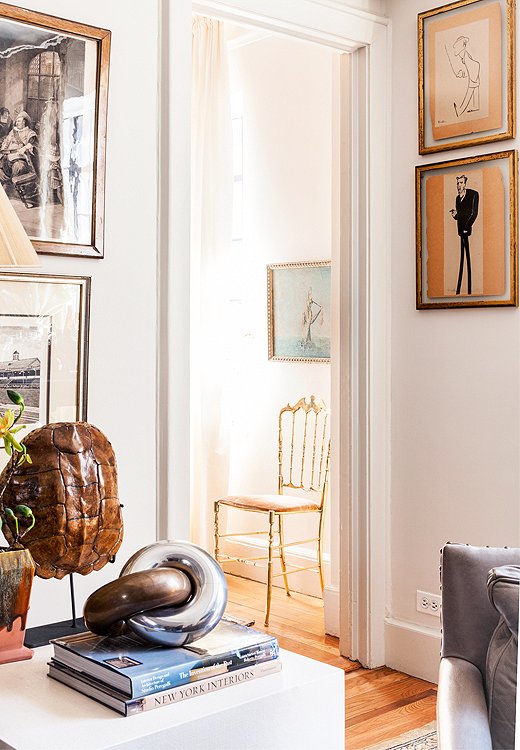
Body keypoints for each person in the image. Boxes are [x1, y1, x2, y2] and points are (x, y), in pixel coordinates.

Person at [450, 175, 479, 295]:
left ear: (465, 183)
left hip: (466, 230)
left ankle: (469, 290)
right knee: (463, 258)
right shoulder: (457, 198)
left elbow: (473, 213)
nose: (459, 186)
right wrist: (455, 215)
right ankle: (459, 290)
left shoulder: (473, 194)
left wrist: (467, 227)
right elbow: (460, 216)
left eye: (461, 183)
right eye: (457, 183)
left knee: (467, 259)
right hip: (460, 231)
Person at [0, 110, 39, 189]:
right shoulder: (12, 132)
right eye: (16, 121)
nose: (16, 123)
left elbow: (32, 143)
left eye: (19, 121)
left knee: (18, 166)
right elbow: (6, 143)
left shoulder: (29, 132)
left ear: (24, 122)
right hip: (8, 156)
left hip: (20, 158)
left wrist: (25, 148)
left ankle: (14, 188)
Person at [452, 36, 480, 117]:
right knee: (475, 89)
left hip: (474, 73)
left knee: (470, 92)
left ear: (463, 46)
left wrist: (473, 78)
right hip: (474, 72)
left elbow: (474, 65)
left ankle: (460, 111)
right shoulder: (464, 55)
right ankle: (476, 106)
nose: (454, 49)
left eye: (456, 47)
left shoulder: (465, 56)